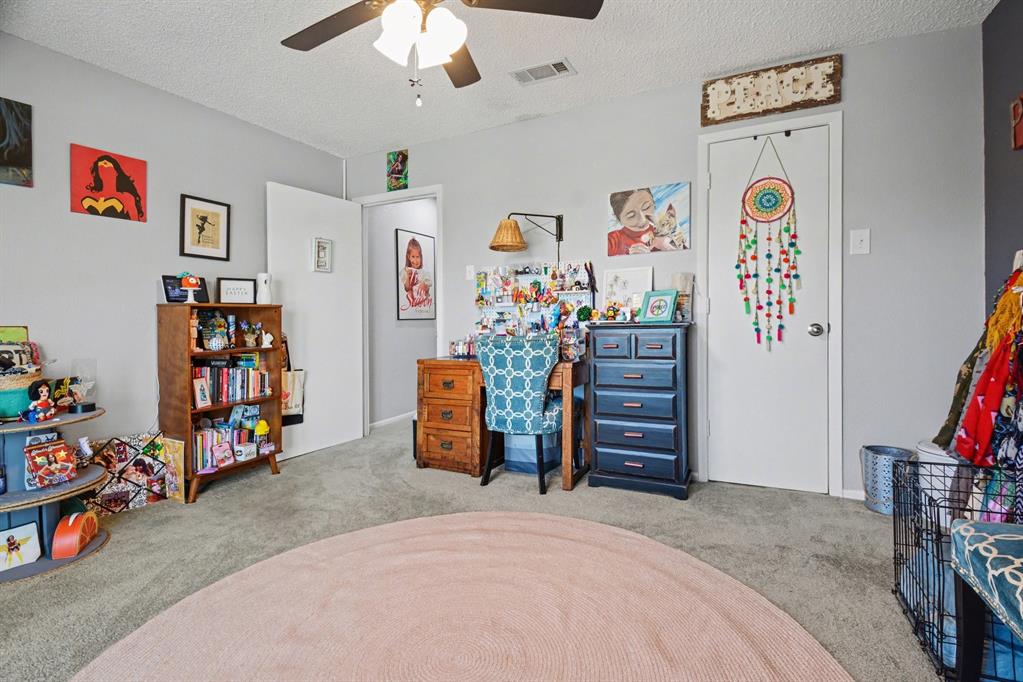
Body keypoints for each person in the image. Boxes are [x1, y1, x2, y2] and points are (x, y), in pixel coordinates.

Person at [607, 187, 675, 256]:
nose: (642, 220)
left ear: (654, 204)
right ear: (619, 219)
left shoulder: (663, 232)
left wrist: (667, 248)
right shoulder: (613, 241)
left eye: (647, 207)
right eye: (631, 216)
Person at [401, 238, 432, 310]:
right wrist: (408, 277)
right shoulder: (404, 271)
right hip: (413, 300)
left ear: (421, 257)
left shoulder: (425, 272)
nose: (415, 260)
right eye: (413, 257)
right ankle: (414, 302)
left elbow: (428, 286)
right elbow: (407, 288)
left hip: (422, 299)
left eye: (418, 257)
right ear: (408, 257)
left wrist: (424, 285)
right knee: (410, 294)